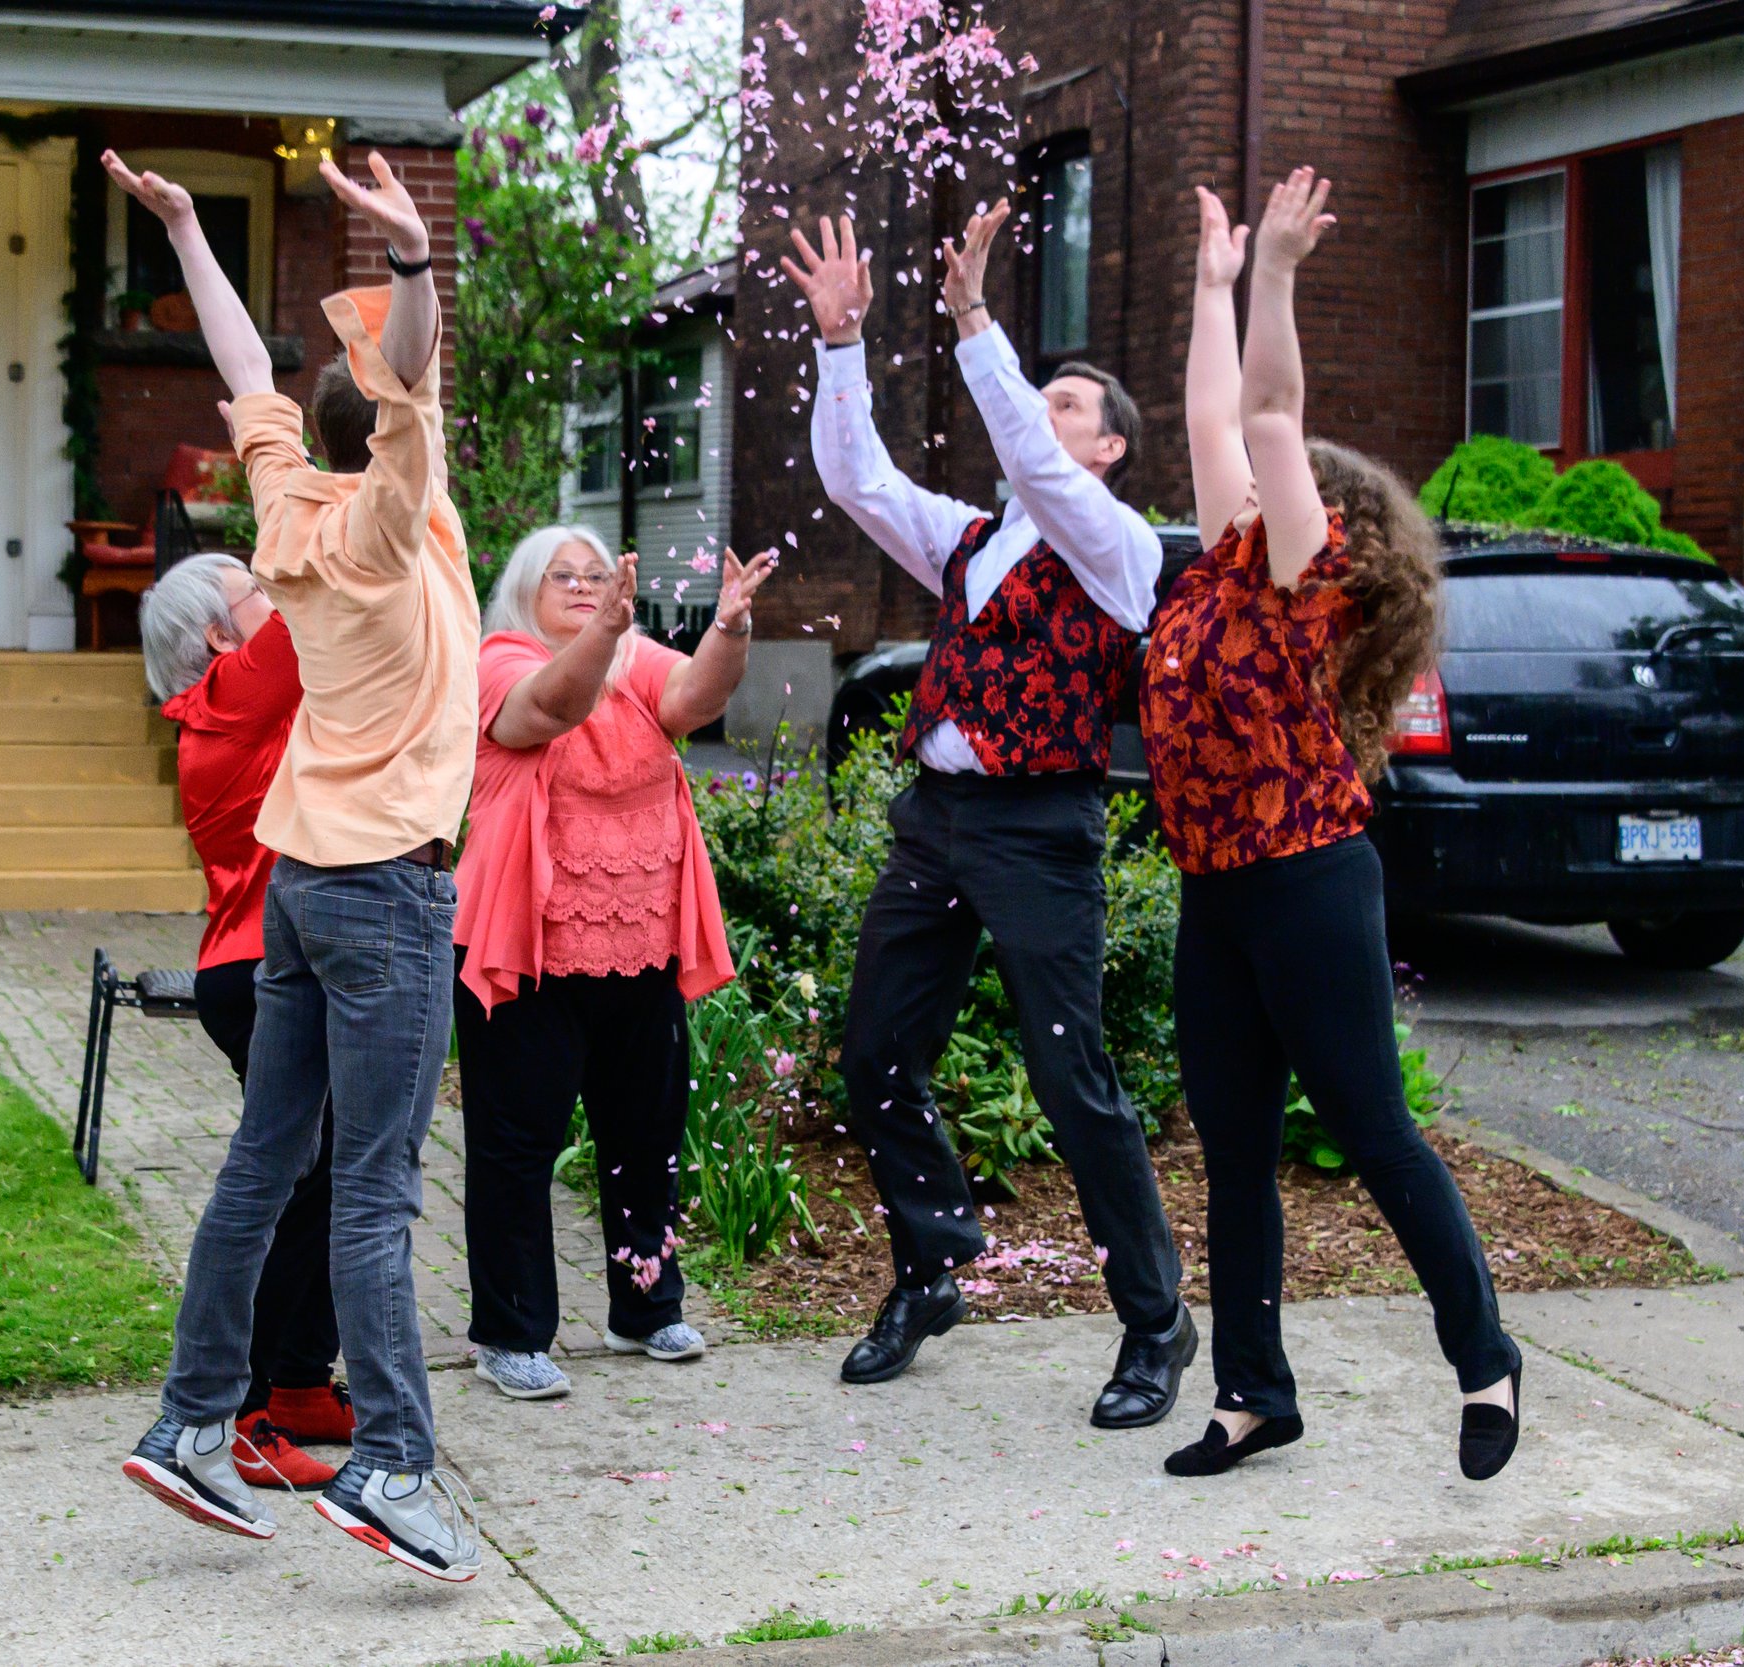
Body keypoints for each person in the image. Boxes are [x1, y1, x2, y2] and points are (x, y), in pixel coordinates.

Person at [105, 147, 484, 1581]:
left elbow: (238, 357)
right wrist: (409, 268)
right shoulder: (396, 527)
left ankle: (194, 1418)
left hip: (307, 890)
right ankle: (391, 1463)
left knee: (267, 1163)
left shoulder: (287, 505)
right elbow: (409, 400)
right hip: (386, 890)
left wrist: (192, 230)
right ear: (393, 433)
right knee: (377, 1191)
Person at [784, 202, 1194, 1427]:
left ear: (1110, 450)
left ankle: (1157, 1323)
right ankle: (931, 1264)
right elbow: (855, 478)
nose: (1049, 411)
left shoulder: (1113, 544)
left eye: (1073, 405)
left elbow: (1031, 459)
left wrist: (972, 318)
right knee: (873, 1056)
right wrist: (842, 344)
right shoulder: (972, 543)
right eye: (1046, 396)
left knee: (1074, 1083)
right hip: (937, 820)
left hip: (1038, 828)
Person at [1146, 170, 1521, 1480]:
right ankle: (1256, 1391)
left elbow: (1264, 405)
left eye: (1276, 476)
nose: (1246, 474)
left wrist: (1281, 274)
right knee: (1234, 1146)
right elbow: (1214, 410)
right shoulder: (1212, 570)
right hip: (1220, 895)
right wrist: (1207, 283)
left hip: (1309, 884)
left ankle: (1482, 1350)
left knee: (1369, 1124)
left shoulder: (1305, 586)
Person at [451, 526, 777, 1400]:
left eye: (599, 575)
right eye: (568, 576)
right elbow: (548, 708)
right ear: (527, 590)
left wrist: (731, 626)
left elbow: (691, 697)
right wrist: (604, 633)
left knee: (645, 1133)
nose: (588, 586)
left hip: (638, 937)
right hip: (531, 949)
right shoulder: (501, 659)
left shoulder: (630, 656)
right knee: (518, 1142)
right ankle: (511, 1333)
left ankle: (645, 1306)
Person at [135, 553, 358, 1492]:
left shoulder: (231, 703)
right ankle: (255, 1403)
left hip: (272, 959)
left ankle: (302, 1378)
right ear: (221, 638)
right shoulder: (226, 696)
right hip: (260, 966)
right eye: (251, 588)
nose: (270, 588)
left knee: (330, 1165)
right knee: (295, 1176)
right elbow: (317, 600)